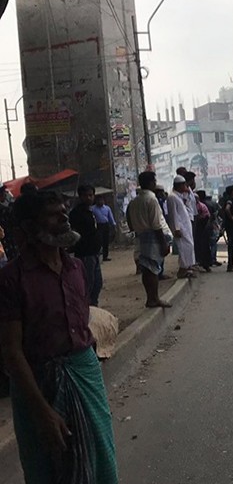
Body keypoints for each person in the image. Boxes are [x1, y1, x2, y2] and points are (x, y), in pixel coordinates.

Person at [0, 191, 119, 483]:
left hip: (85, 376)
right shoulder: (11, 280)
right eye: (53, 214)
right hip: (39, 386)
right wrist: (41, 411)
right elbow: (11, 353)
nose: (64, 217)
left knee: (101, 457)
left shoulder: (76, 268)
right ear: (28, 228)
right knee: (47, 467)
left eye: (63, 211)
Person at [126, 171, 172, 307]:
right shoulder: (151, 199)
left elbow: (130, 220)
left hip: (141, 235)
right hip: (153, 236)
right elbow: (156, 224)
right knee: (153, 269)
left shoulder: (135, 201)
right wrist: (163, 243)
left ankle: (150, 298)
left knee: (147, 269)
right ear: (151, 182)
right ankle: (154, 298)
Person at [70, 184, 104, 306]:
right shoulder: (76, 213)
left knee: (97, 283)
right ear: (80, 197)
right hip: (85, 253)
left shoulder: (91, 211)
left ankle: (93, 305)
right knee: (88, 283)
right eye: (86, 196)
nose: (89, 198)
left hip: (94, 252)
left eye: (91, 195)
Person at [166, 175, 196, 278]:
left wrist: (187, 193)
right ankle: (183, 269)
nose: (186, 187)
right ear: (179, 185)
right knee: (184, 247)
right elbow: (173, 214)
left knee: (189, 246)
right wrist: (176, 228)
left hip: (185, 225)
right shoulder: (172, 197)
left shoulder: (179, 196)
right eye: (184, 185)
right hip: (180, 227)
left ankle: (188, 267)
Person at [91, 194, 115, 262]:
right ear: (96, 201)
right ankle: (98, 256)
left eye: (102, 200)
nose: (100, 201)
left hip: (106, 225)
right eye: (99, 200)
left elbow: (110, 217)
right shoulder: (93, 208)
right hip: (98, 226)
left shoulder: (107, 208)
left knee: (106, 241)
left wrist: (113, 225)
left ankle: (105, 256)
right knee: (99, 241)